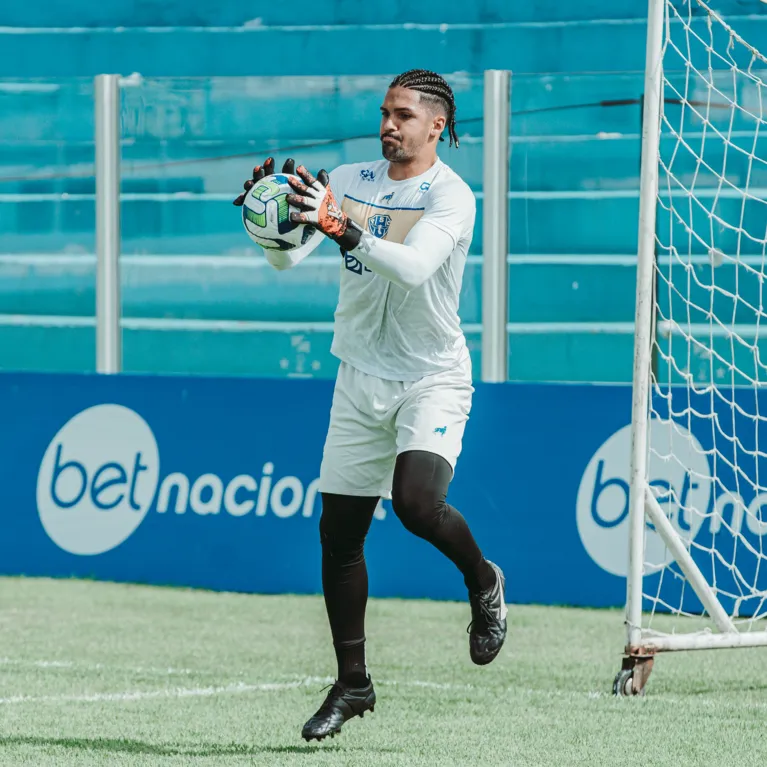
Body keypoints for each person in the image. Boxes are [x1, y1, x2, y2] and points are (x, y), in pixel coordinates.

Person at [233, 69, 507, 742]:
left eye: (404, 115)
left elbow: (412, 268)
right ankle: (352, 683)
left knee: (416, 504)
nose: (389, 124)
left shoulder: (451, 196)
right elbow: (286, 261)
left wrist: (343, 229)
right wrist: (268, 217)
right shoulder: (347, 180)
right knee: (338, 534)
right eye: (384, 112)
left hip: (430, 377)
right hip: (358, 375)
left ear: (436, 125)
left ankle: (483, 580)